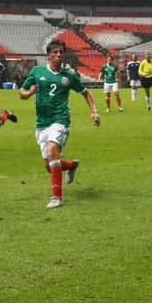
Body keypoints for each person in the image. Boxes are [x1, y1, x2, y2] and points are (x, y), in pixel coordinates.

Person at [18, 40, 99, 209]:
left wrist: (94, 112)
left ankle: (57, 197)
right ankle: (71, 165)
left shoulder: (69, 76)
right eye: (55, 52)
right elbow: (22, 93)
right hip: (42, 123)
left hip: (60, 120)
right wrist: (29, 92)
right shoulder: (37, 71)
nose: (58, 55)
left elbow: (86, 93)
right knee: (50, 165)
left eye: (61, 52)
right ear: (48, 55)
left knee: (53, 151)